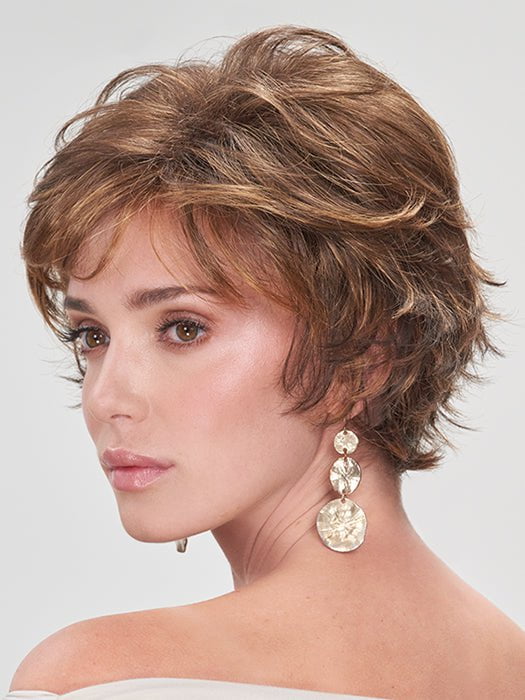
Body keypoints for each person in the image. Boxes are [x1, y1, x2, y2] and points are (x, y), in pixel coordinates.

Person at [6, 24, 524, 700]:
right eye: (91, 335)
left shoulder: (99, 673)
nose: (106, 398)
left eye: (183, 328)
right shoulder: (509, 664)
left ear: (364, 357)